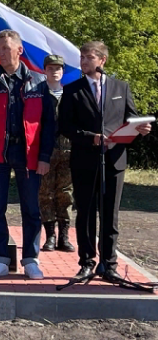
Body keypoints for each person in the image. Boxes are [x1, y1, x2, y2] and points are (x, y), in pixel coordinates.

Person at [59, 41, 151, 281]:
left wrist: (141, 127)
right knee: (86, 213)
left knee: (110, 215)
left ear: (102, 61)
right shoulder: (72, 90)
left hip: (114, 160)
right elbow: (65, 126)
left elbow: (131, 117)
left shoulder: (121, 87)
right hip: (85, 160)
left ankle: (109, 264)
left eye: (89, 57)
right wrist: (91, 138)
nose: (84, 62)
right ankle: (87, 262)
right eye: (82, 57)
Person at [0, 30, 55, 279]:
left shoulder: (39, 81)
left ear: (19, 50)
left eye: (6, 49)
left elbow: (49, 123)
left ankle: (31, 259)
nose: (1, 53)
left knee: (31, 209)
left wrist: (45, 157)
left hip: (28, 153)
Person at [38, 54, 75, 253]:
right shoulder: (39, 93)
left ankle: (64, 235)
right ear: (45, 71)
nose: (55, 71)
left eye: (58, 68)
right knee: (45, 194)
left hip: (69, 150)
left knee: (66, 194)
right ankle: (50, 235)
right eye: (51, 68)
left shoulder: (71, 94)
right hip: (46, 151)